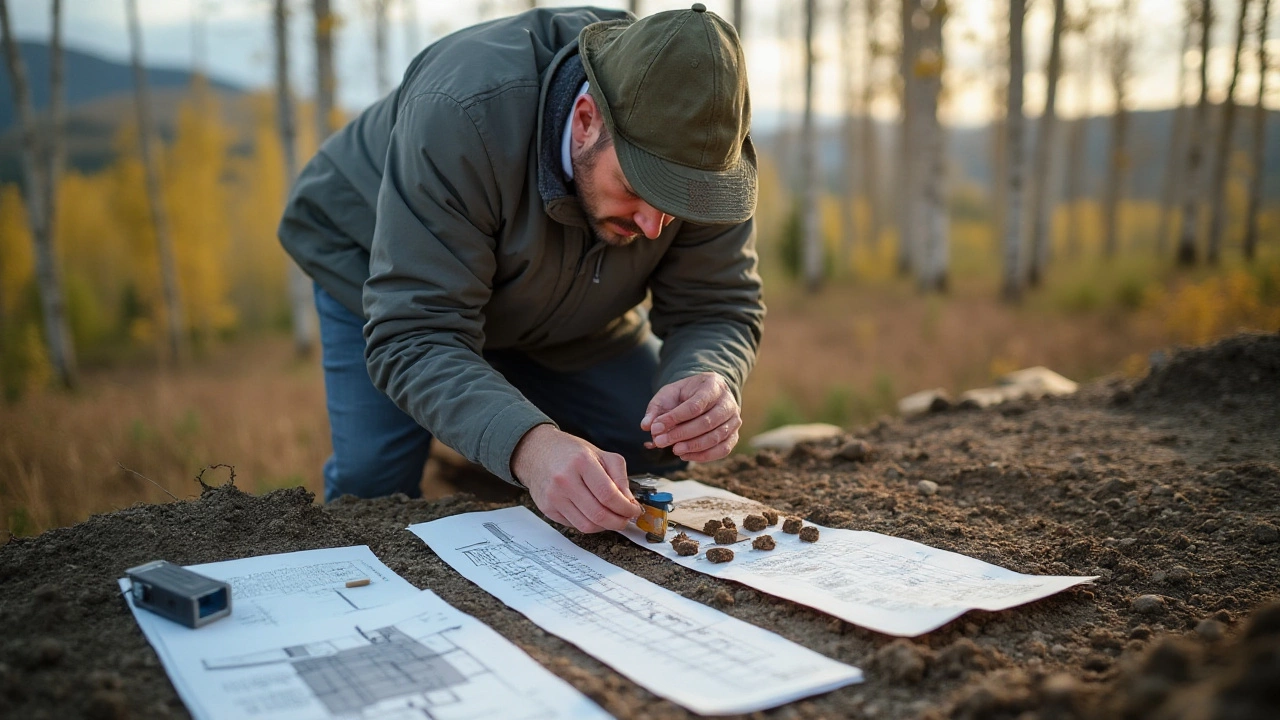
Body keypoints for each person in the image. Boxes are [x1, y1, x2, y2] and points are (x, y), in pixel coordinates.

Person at [278, 4, 764, 534]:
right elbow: (416, 332)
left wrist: (708, 374)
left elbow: (715, 304)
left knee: (651, 443)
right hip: (379, 264)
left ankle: (490, 463)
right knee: (376, 488)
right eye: (637, 189)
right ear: (585, 120)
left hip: (567, 307)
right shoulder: (461, 112)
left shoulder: (702, 161)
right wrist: (530, 448)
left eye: (674, 205)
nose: (653, 226)